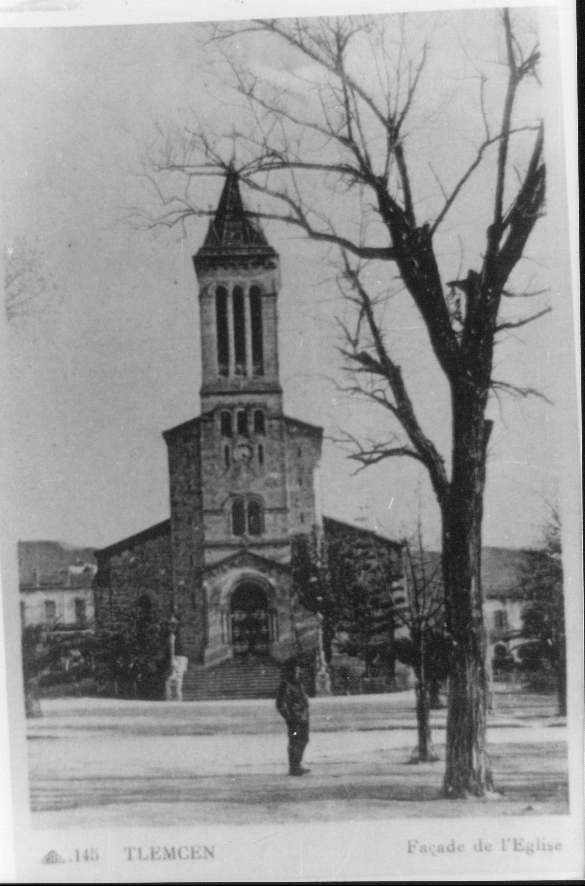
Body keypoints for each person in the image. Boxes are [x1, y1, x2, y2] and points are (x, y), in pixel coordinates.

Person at [276, 658, 310, 776]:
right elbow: (280, 704)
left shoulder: (299, 684)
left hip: (303, 717)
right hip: (294, 718)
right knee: (294, 741)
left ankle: (297, 764)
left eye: (298, 672)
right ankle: (294, 767)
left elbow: (304, 700)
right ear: (290, 672)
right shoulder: (285, 685)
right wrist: (288, 717)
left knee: (304, 739)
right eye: (296, 672)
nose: (298, 674)